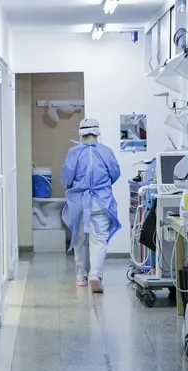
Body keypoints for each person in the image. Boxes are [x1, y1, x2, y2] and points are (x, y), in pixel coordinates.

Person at [60, 118, 122, 293]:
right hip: (101, 202)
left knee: (80, 240)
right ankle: (95, 275)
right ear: (97, 132)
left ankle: (81, 277)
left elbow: (66, 178)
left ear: (81, 133)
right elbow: (115, 173)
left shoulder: (73, 153)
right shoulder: (106, 152)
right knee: (99, 239)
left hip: (79, 203)